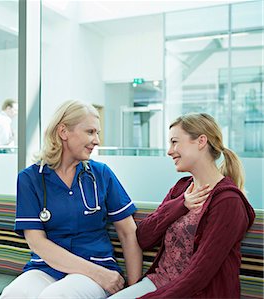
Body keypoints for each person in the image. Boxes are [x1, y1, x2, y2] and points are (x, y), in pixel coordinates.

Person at [0, 100, 142, 299]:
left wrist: (133, 291)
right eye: (90, 132)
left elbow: (128, 233)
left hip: (98, 264)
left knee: (56, 297)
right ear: (63, 132)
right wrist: (98, 274)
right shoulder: (30, 179)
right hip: (47, 268)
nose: (97, 140)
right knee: (12, 295)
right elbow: (37, 243)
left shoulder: (101, 174)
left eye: (97, 133)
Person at [108, 113, 255, 299]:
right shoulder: (181, 188)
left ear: (201, 141)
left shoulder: (228, 202)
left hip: (198, 293)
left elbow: (199, 275)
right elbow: (144, 237)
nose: (169, 151)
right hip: (158, 283)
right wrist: (181, 204)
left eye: (175, 142)